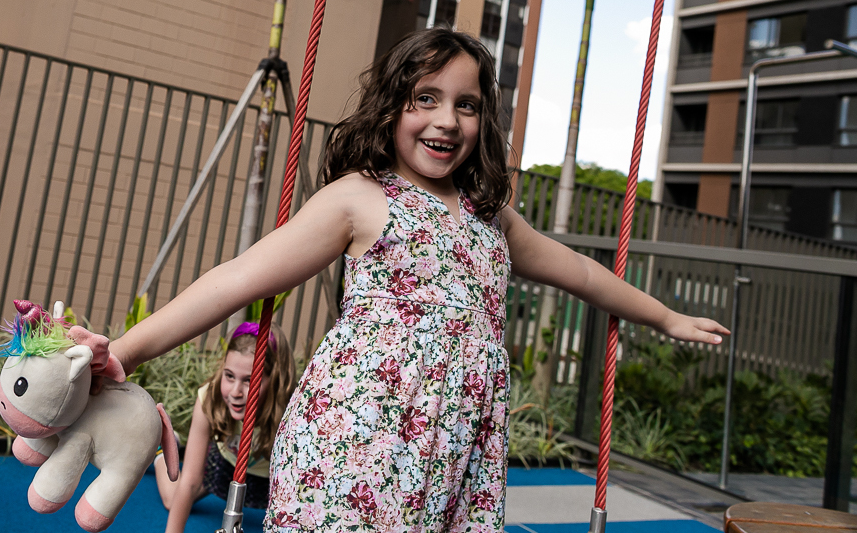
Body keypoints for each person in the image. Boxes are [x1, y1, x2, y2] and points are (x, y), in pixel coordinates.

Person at [111, 28, 728, 532]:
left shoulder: (491, 219)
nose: (447, 120)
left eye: (466, 104)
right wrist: (126, 352)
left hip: (456, 457)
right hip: (358, 444)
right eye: (425, 98)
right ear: (392, 107)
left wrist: (665, 316)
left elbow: (584, 273)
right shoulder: (360, 200)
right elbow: (237, 278)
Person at [154, 322, 296, 533]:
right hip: (226, 463)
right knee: (172, 500)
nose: (235, 391)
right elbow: (191, 481)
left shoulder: (293, 411)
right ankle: (161, 453)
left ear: (274, 379)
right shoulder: (210, 398)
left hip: (269, 480)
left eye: (249, 381)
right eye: (229, 376)